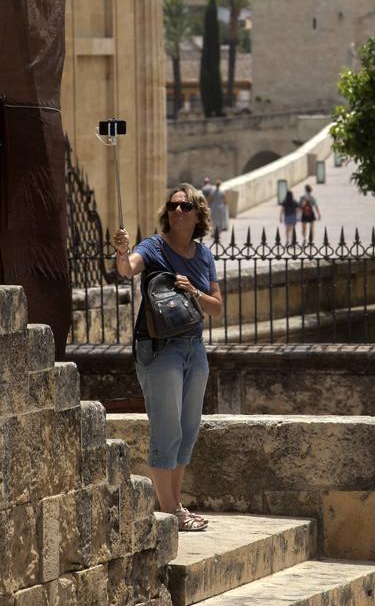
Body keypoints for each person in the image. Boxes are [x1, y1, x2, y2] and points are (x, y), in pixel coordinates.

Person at [113, 183, 222, 532]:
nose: (178, 211)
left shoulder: (204, 256)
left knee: (188, 429)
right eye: (173, 206)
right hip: (159, 348)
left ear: (197, 214)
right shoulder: (154, 246)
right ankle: (171, 509)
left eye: (185, 206)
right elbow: (128, 269)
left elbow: (217, 308)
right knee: (167, 427)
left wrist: (194, 290)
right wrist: (121, 252)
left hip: (193, 346)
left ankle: (175, 504)